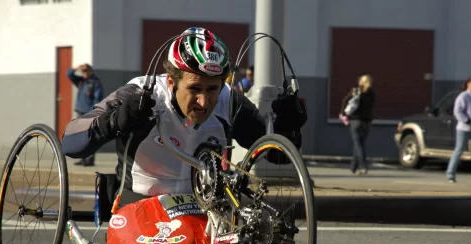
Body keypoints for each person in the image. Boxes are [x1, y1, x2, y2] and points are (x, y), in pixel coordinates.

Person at [61, 27, 306, 206]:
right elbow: (70, 143)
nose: (204, 102)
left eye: (212, 89)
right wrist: (113, 122)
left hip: (202, 206)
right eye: (195, 89)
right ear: (171, 81)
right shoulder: (141, 93)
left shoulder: (229, 101)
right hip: (139, 204)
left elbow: (276, 155)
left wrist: (289, 127)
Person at [66, 63, 104, 167]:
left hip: (89, 113)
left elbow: (98, 99)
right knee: (79, 137)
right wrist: (76, 68)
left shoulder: (95, 82)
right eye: (83, 72)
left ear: (91, 71)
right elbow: (69, 74)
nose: (85, 74)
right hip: (80, 112)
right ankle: (82, 159)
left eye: (86, 71)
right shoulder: (82, 81)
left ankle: (89, 160)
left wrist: (93, 113)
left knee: (89, 137)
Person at [339, 74, 375, 175]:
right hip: (367, 122)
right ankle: (353, 167)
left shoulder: (356, 91)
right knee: (359, 144)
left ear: (362, 81)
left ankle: (363, 166)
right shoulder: (372, 93)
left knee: (358, 144)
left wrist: (343, 113)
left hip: (356, 121)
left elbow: (345, 101)